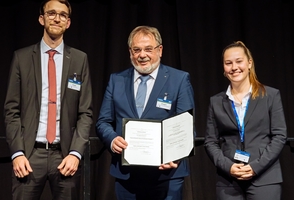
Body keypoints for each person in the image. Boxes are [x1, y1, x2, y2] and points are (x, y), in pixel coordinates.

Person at [4, 0, 93, 199]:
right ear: (41, 18)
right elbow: (11, 110)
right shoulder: (22, 58)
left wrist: (75, 153)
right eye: (51, 13)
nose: (57, 18)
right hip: (29, 154)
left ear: (68, 23)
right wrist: (17, 153)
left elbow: (85, 113)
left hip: (64, 156)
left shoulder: (79, 59)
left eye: (63, 15)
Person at [96, 25, 195, 200]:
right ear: (130, 52)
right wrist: (112, 140)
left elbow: (186, 127)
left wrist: (176, 155)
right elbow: (103, 121)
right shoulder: (116, 80)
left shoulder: (179, 79)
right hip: (126, 175)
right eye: (137, 50)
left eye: (149, 49)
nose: (142, 55)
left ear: (160, 50)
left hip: (167, 176)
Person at [204, 41, 287, 200]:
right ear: (224, 67)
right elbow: (210, 141)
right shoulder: (216, 101)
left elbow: (279, 136)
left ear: (249, 63)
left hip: (265, 177)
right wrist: (228, 167)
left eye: (239, 61)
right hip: (229, 180)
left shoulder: (270, 95)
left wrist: (255, 167)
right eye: (228, 63)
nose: (234, 67)